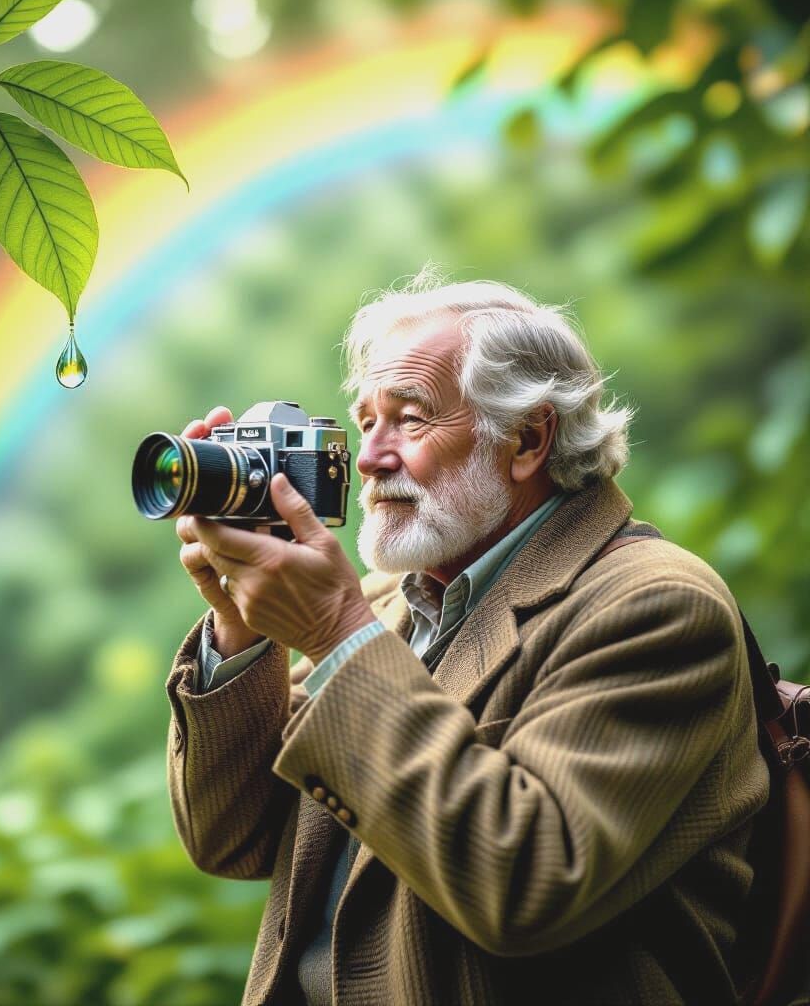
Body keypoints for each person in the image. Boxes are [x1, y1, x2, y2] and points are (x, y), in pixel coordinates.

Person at [165, 268, 771, 1005]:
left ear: (526, 438)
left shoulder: (657, 607)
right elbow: (234, 837)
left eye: (410, 418)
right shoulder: (390, 604)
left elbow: (526, 883)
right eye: (365, 422)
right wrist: (240, 624)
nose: (369, 457)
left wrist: (332, 633)